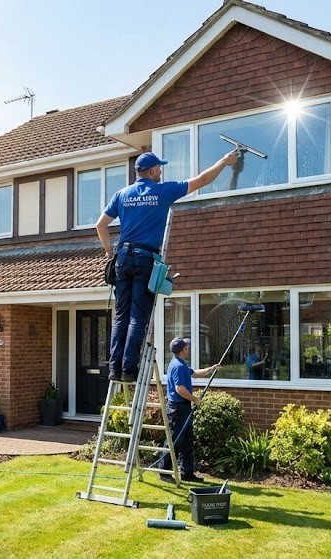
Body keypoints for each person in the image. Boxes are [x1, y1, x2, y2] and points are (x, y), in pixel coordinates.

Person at [96, 150, 238, 383]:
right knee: (138, 316)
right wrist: (224, 161)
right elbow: (202, 180)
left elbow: (101, 225)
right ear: (152, 170)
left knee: (121, 316)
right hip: (144, 259)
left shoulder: (122, 194)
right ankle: (129, 370)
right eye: (159, 168)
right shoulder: (163, 191)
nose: (161, 172)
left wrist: (110, 252)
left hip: (122, 258)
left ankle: (114, 369)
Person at [159, 337, 218, 483]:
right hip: (177, 409)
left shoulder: (181, 363)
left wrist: (211, 369)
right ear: (183, 350)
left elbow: (195, 373)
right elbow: (179, 389)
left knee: (187, 442)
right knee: (175, 441)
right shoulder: (178, 366)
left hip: (184, 407)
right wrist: (195, 399)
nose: (188, 348)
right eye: (186, 347)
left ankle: (187, 473)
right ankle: (164, 472)